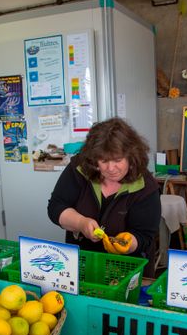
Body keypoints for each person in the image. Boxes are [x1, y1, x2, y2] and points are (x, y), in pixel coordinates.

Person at [47, 117, 161, 277]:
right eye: (104, 160)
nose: (111, 168)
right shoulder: (79, 169)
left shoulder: (145, 185)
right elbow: (56, 207)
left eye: (118, 160)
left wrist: (129, 243)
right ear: (94, 158)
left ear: (131, 156)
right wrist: (81, 223)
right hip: (82, 265)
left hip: (127, 273)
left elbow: (145, 235)